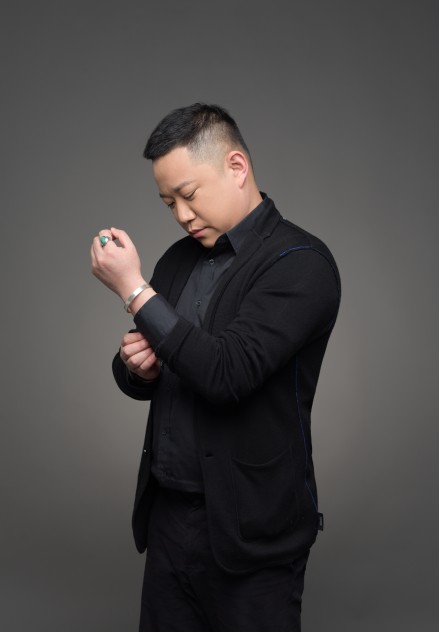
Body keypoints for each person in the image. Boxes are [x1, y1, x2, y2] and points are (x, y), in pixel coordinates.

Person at [90, 103, 341, 631]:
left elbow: (227, 373)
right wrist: (138, 370)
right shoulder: (178, 259)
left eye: (189, 194)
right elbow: (146, 365)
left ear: (236, 167)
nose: (181, 215)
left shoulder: (302, 263)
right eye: (168, 203)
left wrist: (133, 289)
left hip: (253, 529)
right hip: (169, 520)